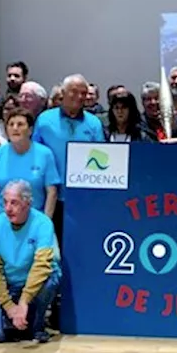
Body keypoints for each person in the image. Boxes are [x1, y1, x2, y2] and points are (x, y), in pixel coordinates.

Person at [0, 180, 60, 344]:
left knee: (50, 279)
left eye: (14, 203)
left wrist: (24, 300)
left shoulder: (43, 223)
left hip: (37, 281)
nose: (8, 208)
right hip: (12, 283)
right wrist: (9, 306)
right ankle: (22, 320)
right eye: (5, 202)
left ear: (27, 203)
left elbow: (42, 265)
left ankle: (38, 323)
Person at [33, 74, 105, 237]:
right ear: (62, 93)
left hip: (84, 199)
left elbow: (102, 157)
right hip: (51, 197)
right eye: (74, 91)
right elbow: (36, 155)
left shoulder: (94, 123)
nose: (79, 97)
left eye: (83, 93)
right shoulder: (44, 120)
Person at [0, 107, 60, 222]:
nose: (15, 128)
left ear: (30, 130)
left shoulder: (45, 154)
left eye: (20, 124)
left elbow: (51, 192)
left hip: (35, 222)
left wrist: (46, 222)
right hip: (3, 221)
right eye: (11, 124)